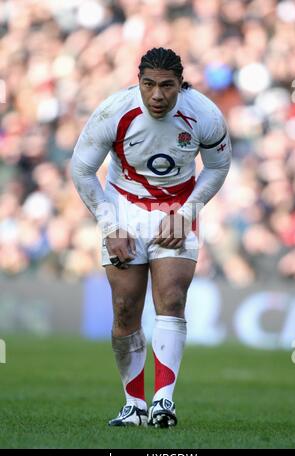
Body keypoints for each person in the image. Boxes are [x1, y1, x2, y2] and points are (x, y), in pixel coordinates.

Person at [71, 47, 231, 428]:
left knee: (172, 298)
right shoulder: (114, 111)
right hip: (123, 207)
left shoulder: (204, 114)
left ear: (181, 85)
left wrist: (189, 212)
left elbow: (218, 166)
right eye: (148, 85)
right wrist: (110, 226)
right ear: (138, 81)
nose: (157, 95)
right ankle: (133, 405)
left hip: (178, 208)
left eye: (166, 86)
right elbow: (81, 169)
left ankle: (163, 403)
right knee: (125, 308)